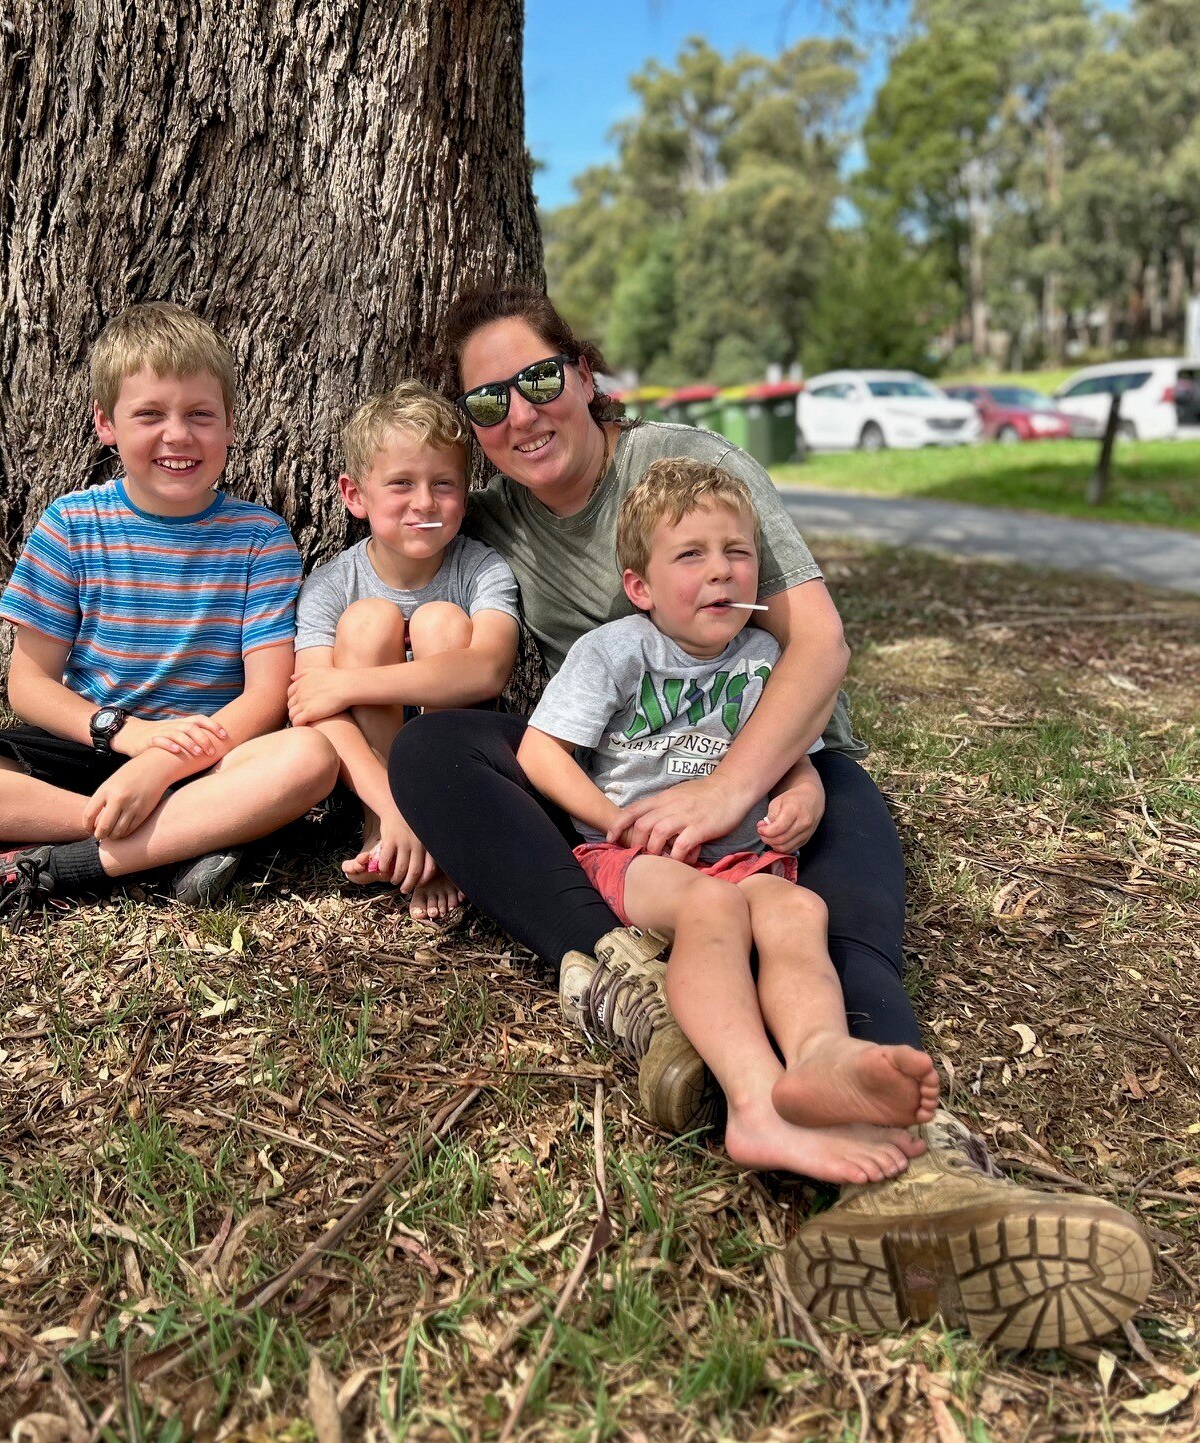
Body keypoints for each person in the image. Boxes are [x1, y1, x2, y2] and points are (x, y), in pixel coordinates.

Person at [387, 285, 1152, 1350]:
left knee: (826, 894)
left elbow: (817, 645)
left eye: (538, 379)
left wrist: (751, 785)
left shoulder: (685, 471)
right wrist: (402, 807)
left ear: (583, 374)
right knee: (434, 755)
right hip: (631, 814)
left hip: (777, 771)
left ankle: (921, 1172)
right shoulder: (488, 519)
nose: (520, 414)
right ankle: (643, 1002)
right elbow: (391, 602)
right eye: (487, 402)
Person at [519, 458, 938, 1185]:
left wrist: (805, 790)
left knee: (796, 910)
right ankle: (753, 1104)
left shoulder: (765, 655)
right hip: (642, 860)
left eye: (736, 553)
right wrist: (613, 819)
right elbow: (540, 752)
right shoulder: (616, 652)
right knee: (712, 907)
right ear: (640, 587)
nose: (721, 572)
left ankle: (818, 1055)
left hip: (746, 857)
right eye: (692, 555)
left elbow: (791, 757)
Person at [0, 302, 337, 918]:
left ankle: (55, 864)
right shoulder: (72, 526)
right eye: (149, 414)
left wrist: (161, 764)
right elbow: (27, 686)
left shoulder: (259, 538)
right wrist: (128, 739)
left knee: (309, 759)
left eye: (200, 415)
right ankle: (172, 842)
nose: (178, 435)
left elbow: (266, 700)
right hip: (89, 747)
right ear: (106, 424)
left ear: (231, 424)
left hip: (212, 757)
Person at [290, 382, 521, 921]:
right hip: (371, 782)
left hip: (455, 771)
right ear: (354, 496)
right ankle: (386, 826)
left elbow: (487, 669)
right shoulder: (331, 584)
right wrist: (394, 805)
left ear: (466, 494)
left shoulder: (481, 569)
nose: (424, 502)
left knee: (441, 621)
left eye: (443, 484)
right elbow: (311, 710)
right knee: (370, 620)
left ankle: (442, 824)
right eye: (401, 483)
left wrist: (349, 685)